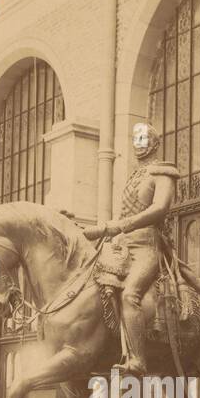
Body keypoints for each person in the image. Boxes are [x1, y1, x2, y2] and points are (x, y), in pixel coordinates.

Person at [84, 122, 178, 375]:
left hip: (148, 245)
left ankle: (138, 359)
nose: (138, 142)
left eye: (143, 137)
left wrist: (116, 227)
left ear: (155, 143)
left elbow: (159, 208)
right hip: (123, 246)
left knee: (130, 295)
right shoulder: (134, 177)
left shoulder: (164, 172)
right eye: (135, 137)